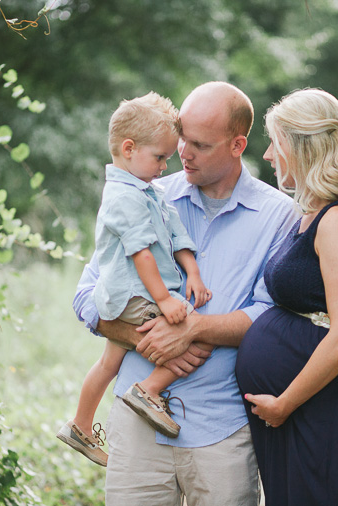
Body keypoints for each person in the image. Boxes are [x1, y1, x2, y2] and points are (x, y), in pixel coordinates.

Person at [73, 81, 296, 505]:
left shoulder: (279, 216)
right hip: (135, 428)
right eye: (180, 140)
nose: (182, 153)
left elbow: (272, 316)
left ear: (237, 145)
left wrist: (193, 329)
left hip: (222, 429)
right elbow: (86, 295)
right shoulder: (144, 194)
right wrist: (142, 336)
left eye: (198, 144)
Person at [235, 88, 338, 506]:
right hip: (302, 410)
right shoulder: (310, 215)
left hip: (324, 408)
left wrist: (284, 403)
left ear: (304, 146)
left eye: (275, 143)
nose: (268, 155)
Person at [57, 92, 214, 467]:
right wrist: (165, 302)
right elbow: (140, 253)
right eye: (159, 157)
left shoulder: (149, 190)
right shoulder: (122, 197)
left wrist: (192, 272)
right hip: (133, 294)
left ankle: (79, 425)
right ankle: (147, 391)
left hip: (137, 293)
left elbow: (176, 234)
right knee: (195, 339)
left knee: (109, 362)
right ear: (128, 149)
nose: (164, 167)